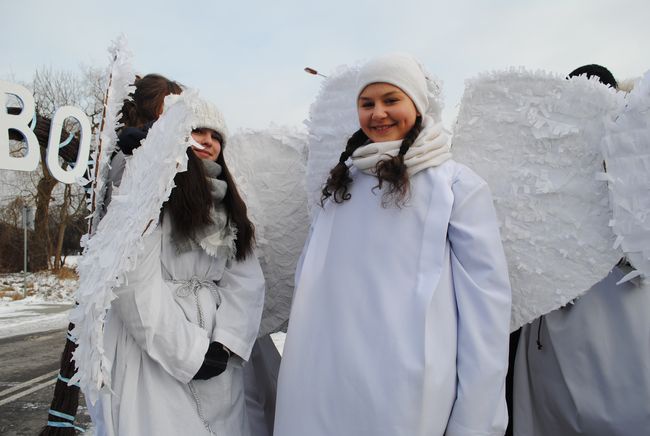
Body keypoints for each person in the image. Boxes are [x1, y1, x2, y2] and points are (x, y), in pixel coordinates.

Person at [274, 53, 512, 436]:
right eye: (367, 104)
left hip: (408, 383)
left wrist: (476, 416)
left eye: (391, 100)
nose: (379, 113)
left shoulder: (454, 185)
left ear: (415, 105)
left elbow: (486, 306)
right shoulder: (342, 184)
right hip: (326, 377)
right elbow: (312, 279)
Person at [511, 65, 650, 436]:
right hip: (559, 296)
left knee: (623, 392)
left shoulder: (632, 156)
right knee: (557, 394)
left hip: (622, 292)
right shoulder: (546, 160)